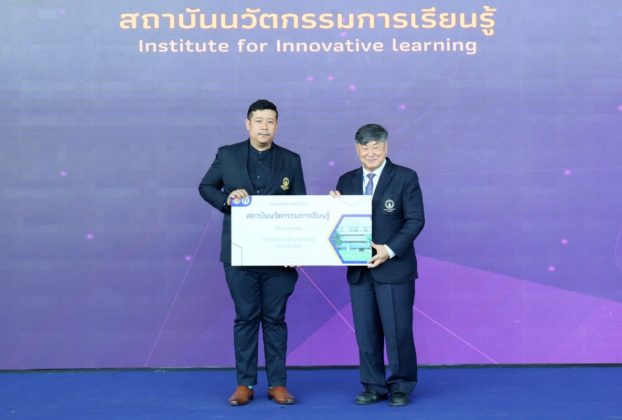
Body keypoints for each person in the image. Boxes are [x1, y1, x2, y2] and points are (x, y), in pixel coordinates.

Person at [198, 99, 306, 406]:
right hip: (239, 254)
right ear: (248, 124)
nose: (264, 127)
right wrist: (227, 199)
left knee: (275, 319)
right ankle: (244, 384)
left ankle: (277, 384)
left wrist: (298, 247)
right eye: (259, 121)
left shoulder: (291, 160)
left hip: (279, 257)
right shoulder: (227, 154)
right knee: (246, 317)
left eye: (270, 121)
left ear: (277, 125)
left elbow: (301, 205)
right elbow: (206, 187)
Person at [330, 123, 425, 407]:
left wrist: (389, 250)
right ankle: (373, 385)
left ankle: (401, 385)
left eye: (376, 147)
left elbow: (415, 220)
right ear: (356, 149)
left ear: (386, 147)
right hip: (360, 272)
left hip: (394, 268)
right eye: (365, 147)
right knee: (366, 332)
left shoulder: (405, 177)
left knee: (398, 331)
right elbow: (338, 224)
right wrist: (331, 209)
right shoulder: (346, 180)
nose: (370, 153)